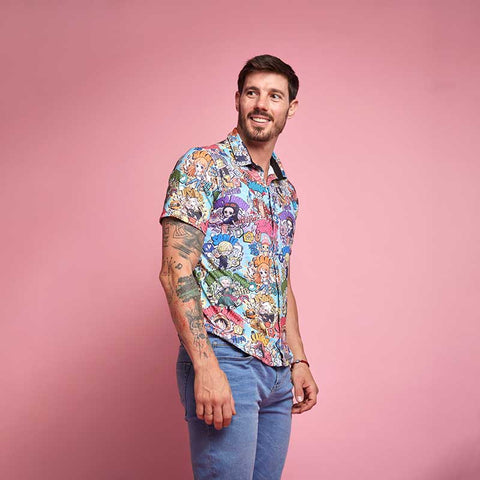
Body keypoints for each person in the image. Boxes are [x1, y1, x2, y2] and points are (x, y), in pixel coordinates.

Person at [159, 54, 318, 480]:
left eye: (274, 96)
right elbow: (175, 271)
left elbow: (279, 280)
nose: (262, 104)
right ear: (237, 100)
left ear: (291, 107)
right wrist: (205, 366)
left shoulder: (285, 191)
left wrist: (299, 361)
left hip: (277, 372)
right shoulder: (203, 165)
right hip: (225, 359)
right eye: (252, 93)